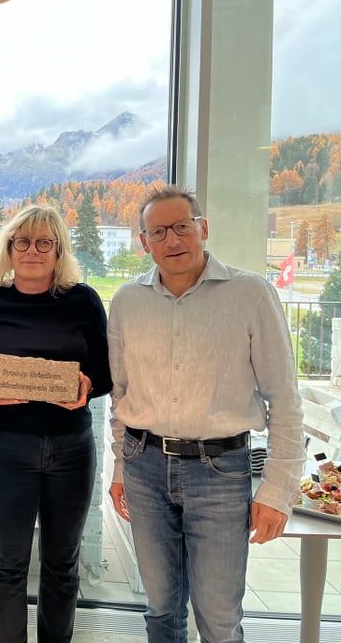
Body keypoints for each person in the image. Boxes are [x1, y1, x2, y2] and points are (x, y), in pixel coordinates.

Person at [107, 185, 305, 643]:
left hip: (221, 473)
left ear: (203, 228)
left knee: (217, 617)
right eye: (159, 231)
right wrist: (120, 467)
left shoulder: (251, 294)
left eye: (182, 226)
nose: (172, 239)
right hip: (144, 466)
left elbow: (285, 398)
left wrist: (278, 489)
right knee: (161, 609)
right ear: (144, 242)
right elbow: (121, 396)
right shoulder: (126, 302)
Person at [0, 205, 111, 643]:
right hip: (3, 448)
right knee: (8, 564)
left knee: (62, 563)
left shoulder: (84, 301)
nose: (32, 251)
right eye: (22, 242)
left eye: (44, 243)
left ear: (59, 251)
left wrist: (88, 384)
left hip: (71, 449)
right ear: (9, 249)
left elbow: (107, 375)